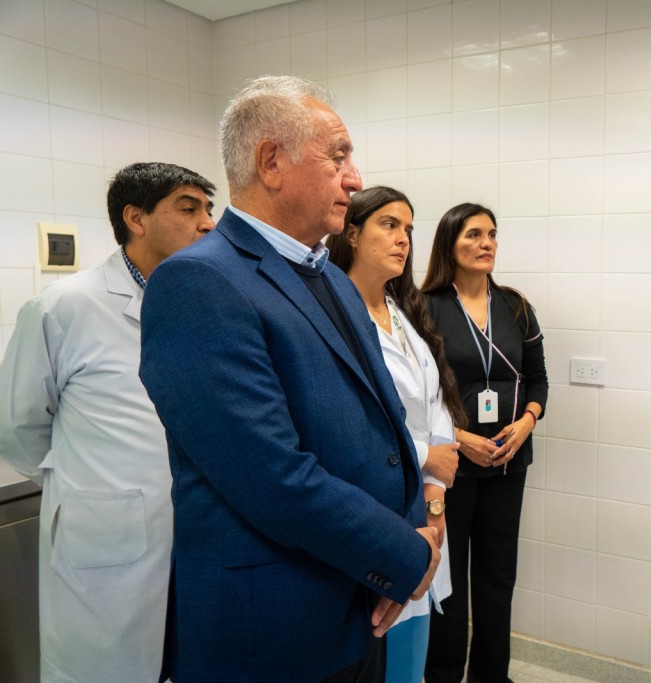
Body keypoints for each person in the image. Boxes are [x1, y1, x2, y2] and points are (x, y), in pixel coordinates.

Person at [138, 76, 440, 683]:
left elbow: (382, 427)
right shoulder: (200, 283)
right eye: (338, 156)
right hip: (273, 625)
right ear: (271, 162)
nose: (354, 179)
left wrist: (417, 527)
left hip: (360, 599)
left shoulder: (328, 276)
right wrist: (408, 554)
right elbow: (274, 475)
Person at [0, 161, 216, 682]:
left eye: (210, 209)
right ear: (136, 218)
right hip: (104, 546)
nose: (208, 223)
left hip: (195, 539)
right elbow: (17, 426)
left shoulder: (207, 304)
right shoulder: (63, 308)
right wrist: (90, 488)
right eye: (189, 209)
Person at [326, 186, 467, 683]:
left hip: (424, 507)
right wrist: (427, 456)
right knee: (378, 645)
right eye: (389, 225)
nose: (403, 239)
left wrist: (434, 497)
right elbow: (344, 421)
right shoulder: (331, 315)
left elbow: (435, 405)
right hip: (376, 502)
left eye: (408, 228)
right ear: (351, 233)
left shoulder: (402, 309)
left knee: (411, 655)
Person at [422, 203, 549, 683]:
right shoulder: (424, 307)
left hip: (507, 463)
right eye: (474, 234)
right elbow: (415, 394)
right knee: (447, 582)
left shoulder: (515, 306)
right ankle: (444, 676)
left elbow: (538, 380)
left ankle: (493, 676)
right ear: (450, 245)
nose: (486, 242)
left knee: (498, 578)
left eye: (492, 234)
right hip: (451, 463)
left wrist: (527, 422)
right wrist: (460, 438)